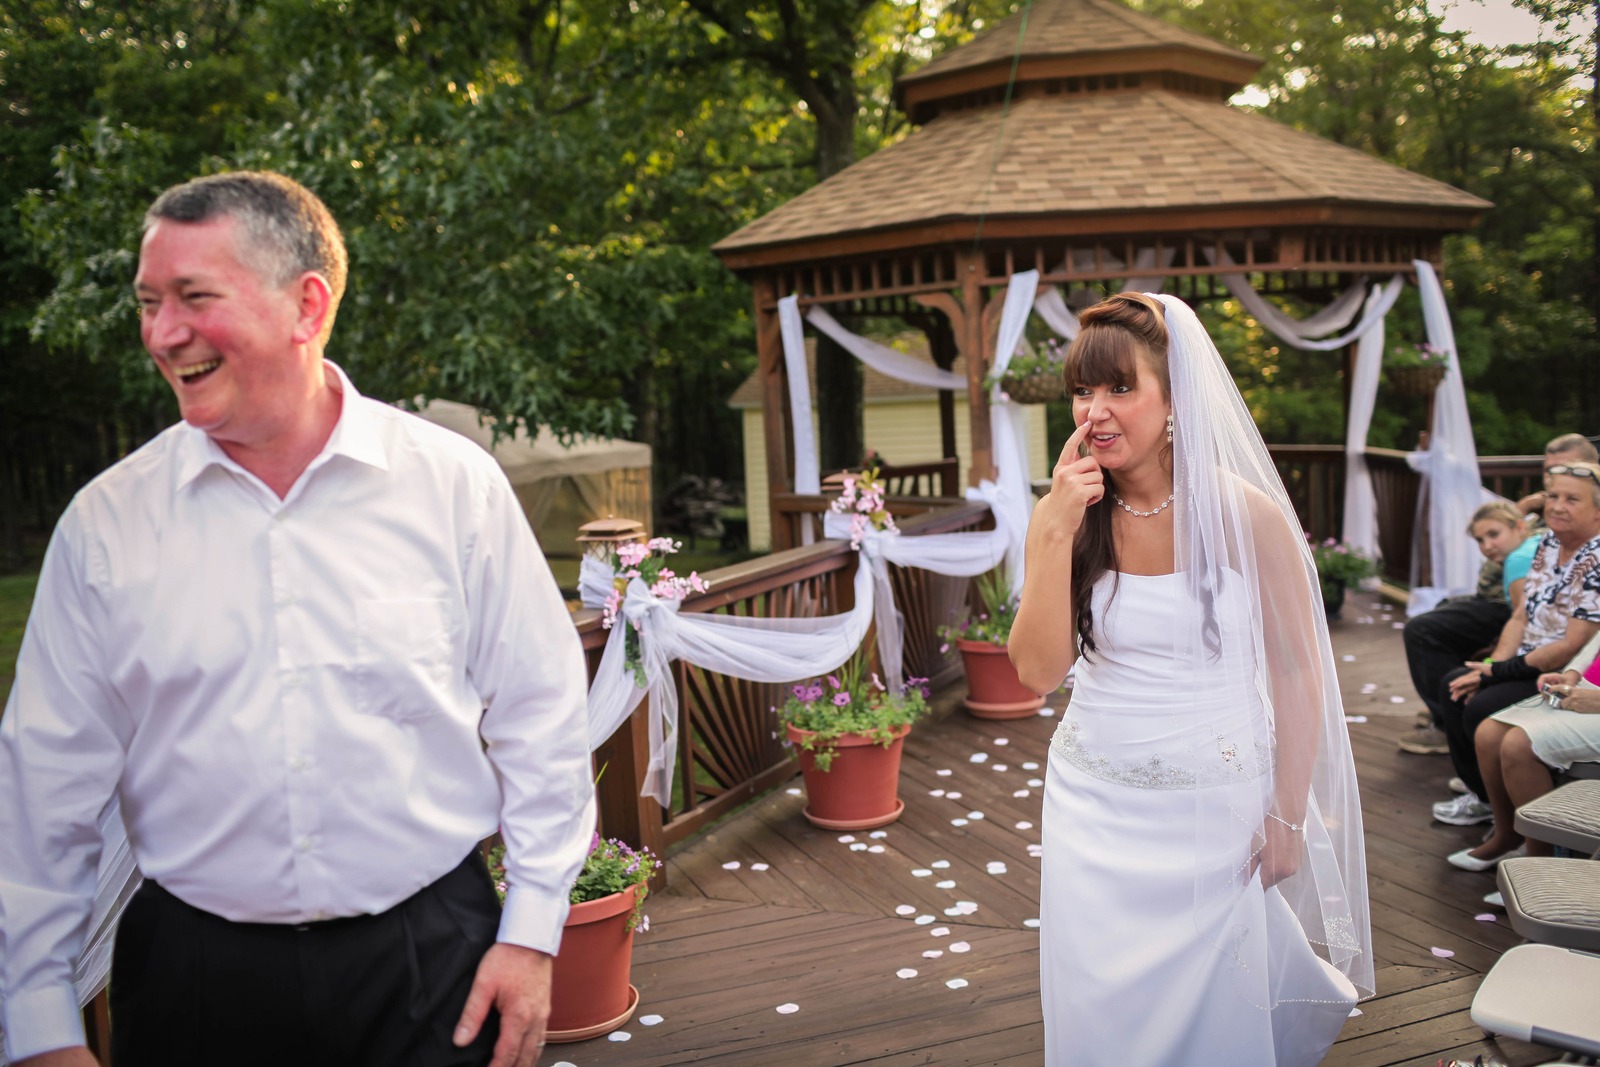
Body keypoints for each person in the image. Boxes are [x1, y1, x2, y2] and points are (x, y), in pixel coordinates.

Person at [0, 172, 596, 1067]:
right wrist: (40, 1022)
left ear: (306, 305)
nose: (162, 333)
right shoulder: (106, 526)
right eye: (150, 303)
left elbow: (541, 711)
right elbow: (43, 786)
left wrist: (534, 929)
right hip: (197, 982)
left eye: (194, 296)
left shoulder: (450, 485)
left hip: (433, 964)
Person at [1010, 293, 1370, 1065]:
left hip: (1215, 814)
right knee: (1098, 1007)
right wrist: (1054, 530)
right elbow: (1037, 672)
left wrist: (1287, 815)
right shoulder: (1068, 515)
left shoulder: (1247, 517)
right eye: (1082, 390)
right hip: (1094, 810)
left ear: (1175, 399)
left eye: (1120, 387)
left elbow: (1297, 669)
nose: (1095, 411)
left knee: (1214, 1011)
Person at [1434, 461, 1600, 848]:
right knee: (1454, 686)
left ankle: (1520, 833)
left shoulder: (1596, 558)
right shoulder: (1547, 545)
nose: (1556, 506)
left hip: (1555, 665)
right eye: (1553, 496)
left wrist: (1496, 674)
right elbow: (1521, 615)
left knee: (1478, 705)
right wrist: (1492, 665)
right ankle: (1492, 808)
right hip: (1533, 661)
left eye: (1571, 499)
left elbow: (1574, 644)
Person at [1398, 502, 1539, 756]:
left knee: (1421, 629)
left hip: (1501, 611)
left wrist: (1494, 666)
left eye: (1493, 535)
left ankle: (1447, 722)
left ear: (1519, 527)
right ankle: (1448, 702)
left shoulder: (1520, 558)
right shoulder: (1528, 544)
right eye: (1480, 540)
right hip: (1491, 603)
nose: (1487, 546)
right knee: (1441, 611)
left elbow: (1522, 615)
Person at [1514, 433, 1599, 524]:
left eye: (1561, 469)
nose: (1553, 476)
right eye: (1548, 470)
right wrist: (1522, 509)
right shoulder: (1533, 513)